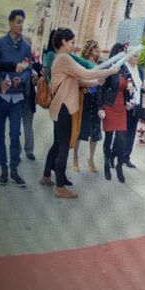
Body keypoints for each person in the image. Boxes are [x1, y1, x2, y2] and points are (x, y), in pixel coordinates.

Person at [39, 28, 117, 198]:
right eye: (72, 42)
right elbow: (85, 72)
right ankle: (60, 187)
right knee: (64, 146)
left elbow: (79, 80)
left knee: (57, 144)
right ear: (63, 42)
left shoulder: (62, 60)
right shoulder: (64, 58)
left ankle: (46, 176)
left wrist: (96, 81)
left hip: (61, 107)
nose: (74, 46)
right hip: (63, 108)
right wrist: (109, 71)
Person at [0, 10, 26, 193]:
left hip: (18, 99)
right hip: (1, 98)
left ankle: (14, 170)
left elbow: (28, 69)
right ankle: (3, 170)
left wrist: (22, 78)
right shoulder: (0, 43)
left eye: (22, 22)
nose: (21, 25)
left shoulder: (26, 47)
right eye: (18, 22)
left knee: (15, 135)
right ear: (10, 23)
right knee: (0, 135)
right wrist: (0, 80)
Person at [98, 42, 134, 183]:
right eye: (122, 52)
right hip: (109, 106)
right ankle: (107, 164)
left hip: (121, 108)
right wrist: (99, 107)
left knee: (121, 140)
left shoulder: (124, 69)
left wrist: (129, 97)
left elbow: (130, 85)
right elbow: (100, 88)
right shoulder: (108, 67)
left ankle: (119, 166)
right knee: (108, 139)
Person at [72, 40, 102, 173]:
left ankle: (91, 159)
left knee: (95, 131)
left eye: (97, 47)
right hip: (84, 97)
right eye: (94, 47)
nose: (97, 49)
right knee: (80, 129)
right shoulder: (81, 62)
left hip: (97, 100)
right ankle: (75, 158)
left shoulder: (100, 64)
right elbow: (78, 81)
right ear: (88, 49)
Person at [123, 53, 145, 169]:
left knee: (131, 132)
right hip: (125, 105)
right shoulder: (124, 68)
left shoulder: (140, 71)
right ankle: (113, 155)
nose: (137, 58)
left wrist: (144, 89)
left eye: (137, 56)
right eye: (134, 56)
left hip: (136, 105)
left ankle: (126, 157)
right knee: (121, 132)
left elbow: (139, 89)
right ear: (129, 56)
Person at [21, 36, 37, 160]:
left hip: (29, 98)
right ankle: (16, 150)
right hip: (16, 97)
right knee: (15, 126)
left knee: (28, 125)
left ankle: (29, 150)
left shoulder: (34, 62)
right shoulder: (16, 60)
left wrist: (36, 79)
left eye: (30, 44)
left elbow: (39, 78)